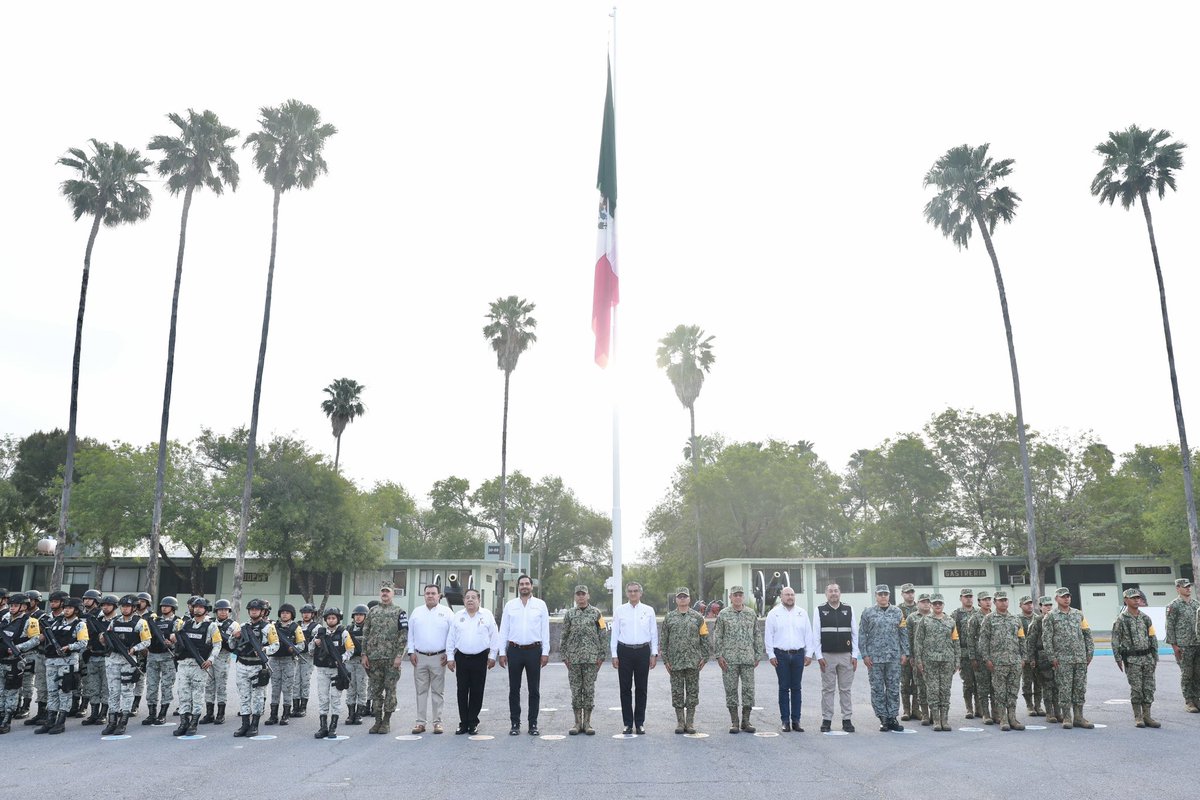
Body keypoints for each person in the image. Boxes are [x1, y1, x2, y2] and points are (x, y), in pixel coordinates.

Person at [499, 574, 550, 736]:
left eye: (527, 583)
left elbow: (545, 631)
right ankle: (515, 723)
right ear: (518, 586)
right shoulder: (510, 605)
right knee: (514, 689)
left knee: (534, 689)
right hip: (514, 650)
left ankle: (533, 724)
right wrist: (502, 652)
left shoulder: (540, 605)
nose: (524, 586)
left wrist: (545, 652)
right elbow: (503, 630)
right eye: (521, 584)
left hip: (534, 651)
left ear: (531, 586)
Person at [446, 588, 498, 734]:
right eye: (467, 597)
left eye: (473, 597)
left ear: (479, 600)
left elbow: (494, 636)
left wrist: (492, 656)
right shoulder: (458, 616)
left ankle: (473, 721)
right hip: (461, 657)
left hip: (480, 657)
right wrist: (450, 657)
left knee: (477, 690)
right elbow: (451, 638)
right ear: (463, 601)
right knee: (462, 691)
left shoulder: (486, 615)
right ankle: (463, 722)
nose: (470, 600)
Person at [559, 584, 609, 735]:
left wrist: (601, 657)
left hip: (591, 659)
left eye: (583, 594)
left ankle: (587, 723)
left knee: (588, 690)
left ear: (588, 596)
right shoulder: (569, 614)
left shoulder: (597, 614)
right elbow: (564, 636)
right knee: (576, 691)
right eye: (578, 594)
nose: (581, 596)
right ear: (575, 597)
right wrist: (564, 656)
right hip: (573, 659)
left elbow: (603, 635)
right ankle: (576, 723)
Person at [1042, 587, 1094, 729]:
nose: (1066, 598)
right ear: (1056, 599)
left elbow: (1087, 634)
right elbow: (1047, 639)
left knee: (1079, 688)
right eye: (1063, 596)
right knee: (1064, 688)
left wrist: (1089, 653)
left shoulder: (1078, 614)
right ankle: (1066, 717)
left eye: (1068, 596)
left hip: (1079, 658)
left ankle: (1079, 717)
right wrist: (1052, 657)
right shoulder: (1051, 616)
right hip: (1062, 659)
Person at [610, 580, 658, 735]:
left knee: (641, 688)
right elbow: (615, 633)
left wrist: (654, 653)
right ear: (626, 593)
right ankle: (627, 723)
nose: (633, 593)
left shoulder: (649, 610)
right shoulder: (620, 610)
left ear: (640, 593)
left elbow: (653, 633)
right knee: (625, 688)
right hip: (624, 651)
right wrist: (614, 654)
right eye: (630, 591)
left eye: (635, 591)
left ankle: (640, 723)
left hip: (643, 651)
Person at [361, 581, 409, 734]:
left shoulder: (399, 612)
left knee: (390, 691)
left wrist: (399, 656)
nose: (385, 594)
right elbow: (365, 634)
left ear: (393, 593)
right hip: (374, 659)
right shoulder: (372, 612)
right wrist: (364, 654)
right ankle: (377, 721)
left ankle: (386, 721)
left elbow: (403, 635)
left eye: (387, 591)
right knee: (375, 691)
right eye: (382, 591)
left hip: (391, 659)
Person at [714, 585, 763, 734]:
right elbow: (718, 636)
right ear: (730, 597)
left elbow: (757, 634)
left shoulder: (750, 613)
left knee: (748, 690)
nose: (738, 597)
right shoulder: (723, 614)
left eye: (740, 595)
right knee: (731, 690)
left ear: (743, 597)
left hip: (748, 658)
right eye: (735, 595)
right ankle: (734, 721)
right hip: (729, 659)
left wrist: (758, 654)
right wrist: (719, 655)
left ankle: (746, 721)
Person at [100, 595, 152, 735]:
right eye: (123, 606)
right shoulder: (114, 621)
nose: (125, 608)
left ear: (134, 608)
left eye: (128, 606)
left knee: (126, 691)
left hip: (128, 659)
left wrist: (135, 648)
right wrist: (103, 640)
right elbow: (107, 639)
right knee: (113, 691)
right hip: (113, 659)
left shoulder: (140, 622)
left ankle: (123, 722)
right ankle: (112, 722)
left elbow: (147, 641)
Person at [859, 584, 909, 732]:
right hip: (875, 658)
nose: (883, 596)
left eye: (885, 594)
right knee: (877, 689)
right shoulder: (868, 613)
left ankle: (893, 717)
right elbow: (862, 634)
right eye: (880, 594)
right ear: (876, 596)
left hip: (893, 657)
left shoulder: (897, 612)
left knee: (893, 688)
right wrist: (865, 655)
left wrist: (905, 652)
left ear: (889, 596)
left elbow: (903, 633)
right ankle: (883, 718)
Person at [765, 586, 813, 732]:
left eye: (792, 594)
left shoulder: (802, 613)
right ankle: (785, 721)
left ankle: (796, 721)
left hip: (798, 654)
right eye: (787, 595)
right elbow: (768, 635)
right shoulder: (774, 614)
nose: (790, 597)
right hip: (781, 655)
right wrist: (771, 654)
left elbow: (808, 634)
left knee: (797, 688)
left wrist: (809, 653)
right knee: (784, 688)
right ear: (781, 596)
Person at [407, 583, 453, 734]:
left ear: (439, 596)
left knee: (437, 691)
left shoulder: (447, 613)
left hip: (439, 657)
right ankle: (420, 722)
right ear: (424, 595)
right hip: (419, 657)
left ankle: (437, 722)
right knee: (421, 691)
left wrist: (449, 653)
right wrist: (411, 652)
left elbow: (452, 636)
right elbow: (411, 634)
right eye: (427, 593)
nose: (430, 596)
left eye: (433, 593)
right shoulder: (417, 612)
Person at [230, 597, 280, 738]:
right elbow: (232, 646)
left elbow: (276, 645)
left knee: (258, 696)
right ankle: (245, 724)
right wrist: (234, 636)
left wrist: (265, 650)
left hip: (258, 665)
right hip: (242, 663)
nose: (253, 611)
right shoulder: (243, 626)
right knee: (244, 696)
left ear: (263, 612)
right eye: (252, 609)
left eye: (257, 609)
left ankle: (254, 724)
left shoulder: (269, 627)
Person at [812, 582, 858, 733]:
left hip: (846, 656)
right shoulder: (819, 610)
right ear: (826, 594)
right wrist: (818, 656)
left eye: (836, 591)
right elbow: (816, 636)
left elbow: (855, 635)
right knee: (828, 689)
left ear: (840, 593)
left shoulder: (849, 609)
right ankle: (827, 720)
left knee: (845, 689)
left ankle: (847, 720)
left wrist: (855, 655)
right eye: (830, 591)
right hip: (827, 656)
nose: (833, 593)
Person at [172, 597, 221, 736]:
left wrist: (211, 660)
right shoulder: (185, 624)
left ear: (206, 610)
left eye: (200, 606)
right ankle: (184, 723)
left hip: (199, 665)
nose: (197, 608)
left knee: (197, 695)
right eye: (195, 606)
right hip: (183, 664)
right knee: (183, 694)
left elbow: (217, 645)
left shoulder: (211, 626)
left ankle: (193, 723)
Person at [660, 587, 706, 734]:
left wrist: (704, 658)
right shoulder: (669, 617)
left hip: (693, 661)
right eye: (679, 597)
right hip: (675, 662)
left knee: (692, 693)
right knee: (677, 693)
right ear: (676, 599)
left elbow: (705, 638)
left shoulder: (698, 617)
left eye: (684, 597)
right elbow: (664, 641)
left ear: (689, 599)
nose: (682, 599)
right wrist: (666, 660)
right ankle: (680, 723)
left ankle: (690, 723)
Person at [978, 590, 1025, 731]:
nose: (1003, 602)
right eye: (1000, 600)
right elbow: (983, 640)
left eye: (1005, 600)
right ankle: (1003, 718)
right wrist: (987, 659)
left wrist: (1023, 658)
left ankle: (1012, 718)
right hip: (997, 662)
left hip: (1015, 661)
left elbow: (1022, 639)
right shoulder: (989, 619)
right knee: (999, 692)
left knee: (1012, 691)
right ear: (995, 602)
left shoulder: (1015, 619)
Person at [1114, 587, 1160, 728]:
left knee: (1149, 688)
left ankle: (1147, 716)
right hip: (1132, 660)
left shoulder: (1146, 618)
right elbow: (1115, 640)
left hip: (1147, 658)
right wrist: (1118, 658)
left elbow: (1152, 637)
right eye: (1133, 598)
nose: (1136, 600)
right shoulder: (1121, 620)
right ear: (1126, 600)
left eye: (1137, 598)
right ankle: (1138, 716)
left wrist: (1154, 656)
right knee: (1137, 689)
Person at [915, 593, 959, 731]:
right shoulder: (925, 621)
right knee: (933, 690)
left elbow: (956, 641)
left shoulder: (950, 621)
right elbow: (918, 642)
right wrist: (919, 660)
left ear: (943, 604)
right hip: (930, 661)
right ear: (931, 605)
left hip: (947, 660)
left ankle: (944, 720)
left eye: (940, 603)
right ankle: (936, 720)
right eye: (935, 604)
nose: (937, 605)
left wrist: (957, 660)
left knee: (945, 690)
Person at [0, 594, 44, 734]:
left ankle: (7, 719)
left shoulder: (30, 621)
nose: (11, 608)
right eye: (11, 605)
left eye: (15, 605)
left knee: (11, 691)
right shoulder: (5, 618)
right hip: (2, 659)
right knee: (0, 691)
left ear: (23, 607)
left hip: (16, 660)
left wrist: (18, 648)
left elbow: (35, 640)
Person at [311, 606, 355, 739]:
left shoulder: (343, 633)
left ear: (338, 619)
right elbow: (310, 650)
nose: (331, 620)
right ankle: (323, 727)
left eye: (333, 618)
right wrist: (315, 643)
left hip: (337, 670)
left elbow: (350, 649)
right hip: (322, 670)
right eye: (328, 618)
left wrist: (341, 659)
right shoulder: (319, 633)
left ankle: (333, 727)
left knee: (335, 698)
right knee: (323, 698)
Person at [142, 595, 182, 726]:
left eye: (167, 606)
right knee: (151, 686)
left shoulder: (177, 622)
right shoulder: (154, 621)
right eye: (163, 606)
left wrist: (172, 643)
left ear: (173, 608)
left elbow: (182, 641)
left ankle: (162, 714)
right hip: (152, 655)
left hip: (167, 657)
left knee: (166, 686)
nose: (164, 608)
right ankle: (151, 714)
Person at [265, 602, 305, 726]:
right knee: (275, 688)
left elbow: (302, 644)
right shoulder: (273, 626)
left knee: (288, 688)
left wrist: (295, 649)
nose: (284, 615)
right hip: (274, 660)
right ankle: (273, 715)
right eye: (282, 613)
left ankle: (286, 714)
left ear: (292, 615)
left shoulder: (296, 627)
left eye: (287, 613)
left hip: (289, 660)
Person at [1164, 577, 1199, 712]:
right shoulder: (1173, 606)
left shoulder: (1196, 604)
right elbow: (1170, 627)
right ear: (1178, 588)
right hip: (1183, 645)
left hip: (1197, 643)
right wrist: (1174, 646)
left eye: (1189, 586)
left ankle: (1197, 699)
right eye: (1185, 587)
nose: (1188, 589)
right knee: (1187, 674)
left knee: (1198, 673)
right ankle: (1189, 701)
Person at [80, 593, 115, 726]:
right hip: (93, 655)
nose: (105, 607)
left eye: (108, 605)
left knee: (106, 687)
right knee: (92, 686)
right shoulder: (94, 620)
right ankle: (94, 713)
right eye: (103, 605)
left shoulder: (116, 621)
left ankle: (103, 713)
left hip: (107, 657)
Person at [1025, 596, 1060, 723]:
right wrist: (1032, 659)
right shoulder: (1037, 622)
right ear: (1040, 607)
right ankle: (1050, 713)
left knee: (1057, 686)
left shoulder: (1056, 619)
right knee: (1047, 686)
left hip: (1056, 656)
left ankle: (1058, 712)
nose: (1049, 607)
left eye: (1050, 605)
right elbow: (1030, 642)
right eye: (1046, 605)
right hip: (1042, 657)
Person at [202, 598, 236, 725]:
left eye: (225, 610)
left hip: (223, 656)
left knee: (221, 686)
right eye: (220, 610)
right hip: (209, 656)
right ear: (216, 611)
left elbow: (234, 645)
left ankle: (221, 714)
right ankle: (209, 713)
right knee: (209, 685)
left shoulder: (233, 625)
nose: (223, 612)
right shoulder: (209, 623)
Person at [967, 590, 995, 724]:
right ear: (979, 602)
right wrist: (972, 658)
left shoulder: (996, 616)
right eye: (984, 599)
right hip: (980, 657)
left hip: (996, 657)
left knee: (996, 687)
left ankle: (997, 713)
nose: (987, 601)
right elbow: (970, 639)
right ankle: (986, 713)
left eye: (989, 599)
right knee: (983, 687)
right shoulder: (975, 618)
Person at [951, 589, 980, 719]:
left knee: (980, 682)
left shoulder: (979, 613)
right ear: (961, 598)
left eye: (970, 596)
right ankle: (969, 708)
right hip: (964, 653)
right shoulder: (956, 614)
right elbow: (953, 635)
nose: (968, 599)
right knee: (968, 682)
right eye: (966, 597)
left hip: (979, 652)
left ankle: (980, 708)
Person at [895, 583, 921, 721]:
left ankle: (916, 709)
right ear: (902, 594)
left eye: (912, 592)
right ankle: (906, 710)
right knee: (905, 682)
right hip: (904, 652)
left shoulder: (921, 608)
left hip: (918, 652)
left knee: (917, 682)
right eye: (907, 592)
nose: (910, 594)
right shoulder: (898, 610)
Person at [906, 592, 932, 725]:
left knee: (934, 687)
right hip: (919, 657)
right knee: (920, 686)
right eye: (923, 601)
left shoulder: (939, 617)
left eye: (928, 601)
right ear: (918, 603)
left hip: (934, 658)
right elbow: (909, 639)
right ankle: (924, 713)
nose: (926, 603)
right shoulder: (911, 618)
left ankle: (935, 714)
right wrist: (911, 656)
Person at [345, 604, 369, 726]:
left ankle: (359, 713)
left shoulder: (369, 629)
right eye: (356, 615)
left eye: (361, 615)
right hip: (350, 661)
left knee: (362, 687)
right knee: (350, 687)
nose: (358, 617)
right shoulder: (348, 629)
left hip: (362, 662)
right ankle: (350, 714)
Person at [295, 603, 320, 718]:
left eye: (308, 613)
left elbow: (316, 642)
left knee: (305, 681)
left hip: (308, 657)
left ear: (312, 614)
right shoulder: (296, 625)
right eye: (304, 613)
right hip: (295, 656)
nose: (306, 615)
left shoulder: (316, 627)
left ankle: (303, 707)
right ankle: (295, 706)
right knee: (295, 682)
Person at [1017, 595, 1040, 715]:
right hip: (1024, 655)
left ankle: (1038, 705)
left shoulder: (1038, 618)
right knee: (1027, 681)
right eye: (1026, 603)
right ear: (1020, 606)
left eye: (1030, 603)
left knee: (1038, 681)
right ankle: (1029, 705)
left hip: (1038, 655)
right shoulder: (1017, 619)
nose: (1029, 605)